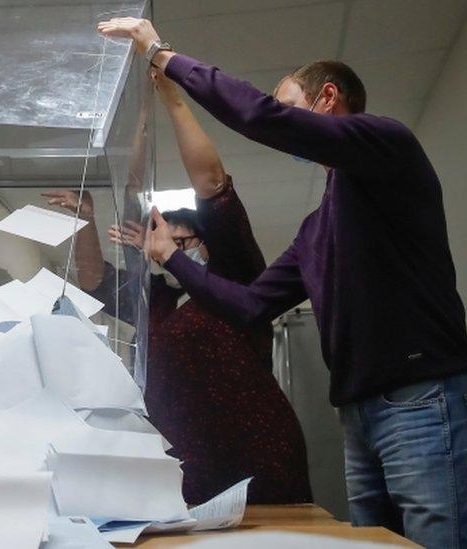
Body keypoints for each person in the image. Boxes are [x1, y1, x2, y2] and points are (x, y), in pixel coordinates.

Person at [98, 16, 467, 549]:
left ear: (328, 100)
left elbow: (261, 118)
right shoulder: (318, 228)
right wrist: (170, 259)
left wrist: (162, 53)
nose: (280, 116)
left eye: (288, 103)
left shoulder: (387, 143)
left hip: (419, 399)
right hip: (358, 415)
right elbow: (250, 306)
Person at [43, 71, 312, 504]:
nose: (163, 248)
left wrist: (173, 101)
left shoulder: (235, 277)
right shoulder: (159, 300)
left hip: (255, 451)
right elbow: (94, 280)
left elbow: (213, 184)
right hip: (183, 463)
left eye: (177, 240)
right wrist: (84, 221)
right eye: (158, 242)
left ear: (203, 241)